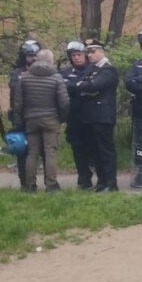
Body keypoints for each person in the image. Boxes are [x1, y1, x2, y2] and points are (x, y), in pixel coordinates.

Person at [12, 49, 70, 192]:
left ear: (36, 59)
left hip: (31, 119)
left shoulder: (24, 77)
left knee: (32, 153)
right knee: (50, 152)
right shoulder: (57, 78)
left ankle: (30, 185)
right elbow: (65, 102)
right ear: (52, 60)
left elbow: (18, 103)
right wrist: (61, 118)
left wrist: (19, 121)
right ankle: (51, 185)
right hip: (51, 119)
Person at [74, 38, 119, 192]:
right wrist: (84, 87)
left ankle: (111, 183)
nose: (90, 55)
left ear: (101, 51)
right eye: (88, 52)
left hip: (103, 116)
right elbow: (81, 84)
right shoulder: (91, 69)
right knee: (95, 152)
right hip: (91, 117)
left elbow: (93, 85)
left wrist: (85, 87)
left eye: (92, 52)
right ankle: (101, 182)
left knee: (105, 151)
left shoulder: (108, 69)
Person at [61, 41, 95, 189]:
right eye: (73, 55)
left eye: (79, 55)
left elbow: (93, 87)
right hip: (74, 117)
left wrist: (76, 86)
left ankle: (99, 176)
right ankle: (84, 177)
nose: (76, 58)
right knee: (77, 148)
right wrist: (79, 86)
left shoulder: (93, 70)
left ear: (85, 55)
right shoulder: (66, 72)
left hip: (92, 116)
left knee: (92, 148)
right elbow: (64, 87)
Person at [9, 39, 41, 189]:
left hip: (40, 116)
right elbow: (15, 90)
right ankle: (25, 183)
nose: (33, 58)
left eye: (36, 55)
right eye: (30, 56)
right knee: (22, 151)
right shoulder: (16, 73)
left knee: (44, 152)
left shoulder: (45, 71)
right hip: (21, 117)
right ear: (24, 57)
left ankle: (50, 183)